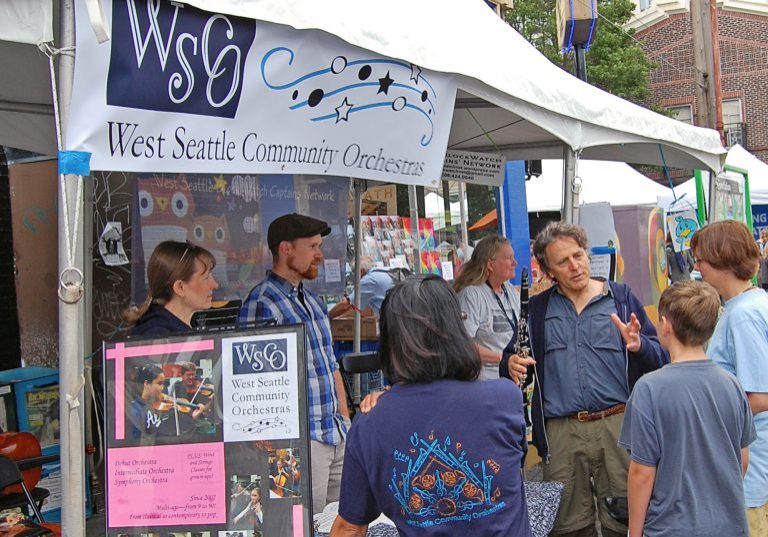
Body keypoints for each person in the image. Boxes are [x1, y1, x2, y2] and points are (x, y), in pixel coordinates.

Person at [501, 221, 667, 537]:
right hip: (561, 431)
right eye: (563, 262)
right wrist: (510, 364)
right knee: (567, 526)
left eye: (578, 255)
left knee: (627, 519)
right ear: (548, 271)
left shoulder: (620, 298)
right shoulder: (536, 309)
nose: (575, 266)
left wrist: (640, 346)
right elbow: (513, 364)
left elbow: (661, 358)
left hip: (619, 427)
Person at [330, 276, 531, 537]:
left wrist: (391, 399)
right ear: (457, 331)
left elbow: (350, 526)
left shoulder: (370, 422)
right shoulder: (505, 398)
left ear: (391, 341)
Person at [618, 280, 755, 537]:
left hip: (670, 527)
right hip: (729, 524)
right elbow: (742, 459)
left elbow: (641, 473)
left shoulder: (649, 389)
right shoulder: (732, 384)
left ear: (665, 325)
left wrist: (633, 532)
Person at [239, 213, 350, 515]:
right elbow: (252, 386)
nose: (320, 254)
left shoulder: (312, 302)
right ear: (286, 249)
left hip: (335, 434)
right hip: (298, 442)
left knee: (344, 525)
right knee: (297, 523)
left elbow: (331, 366)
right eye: (313, 246)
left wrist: (345, 420)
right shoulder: (262, 303)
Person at [690, 220, 768, 535]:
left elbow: (759, 397)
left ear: (722, 261)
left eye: (700, 260)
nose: (697, 268)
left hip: (752, 467)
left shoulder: (742, 315)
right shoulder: (755, 302)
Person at [453, 234, 526, 381]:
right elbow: (463, 344)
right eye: (508, 258)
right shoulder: (471, 295)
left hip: (512, 377)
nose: (515, 263)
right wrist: (504, 359)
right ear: (490, 265)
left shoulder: (509, 290)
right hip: (485, 382)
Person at [123, 240, 219, 336]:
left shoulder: (182, 328)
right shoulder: (158, 336)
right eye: (206, 278)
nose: (215, 285)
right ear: (180, 287)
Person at [329, 256, 394, 318]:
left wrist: (328, 316)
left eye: (354, 272)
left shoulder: (368, 280)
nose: (354, 277)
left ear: (361, 271)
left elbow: (346, 305)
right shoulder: (385, 272)